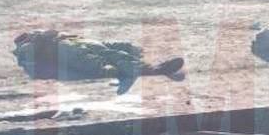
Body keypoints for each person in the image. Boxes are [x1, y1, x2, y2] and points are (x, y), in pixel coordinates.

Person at [12, 30, 184, 93]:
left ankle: (149, 68)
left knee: (115, 52)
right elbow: (92, 63)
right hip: (72, 52)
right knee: (110, 59)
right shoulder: (27, 49)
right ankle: (152, 69)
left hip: (76, 47)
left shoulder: (41, 41)